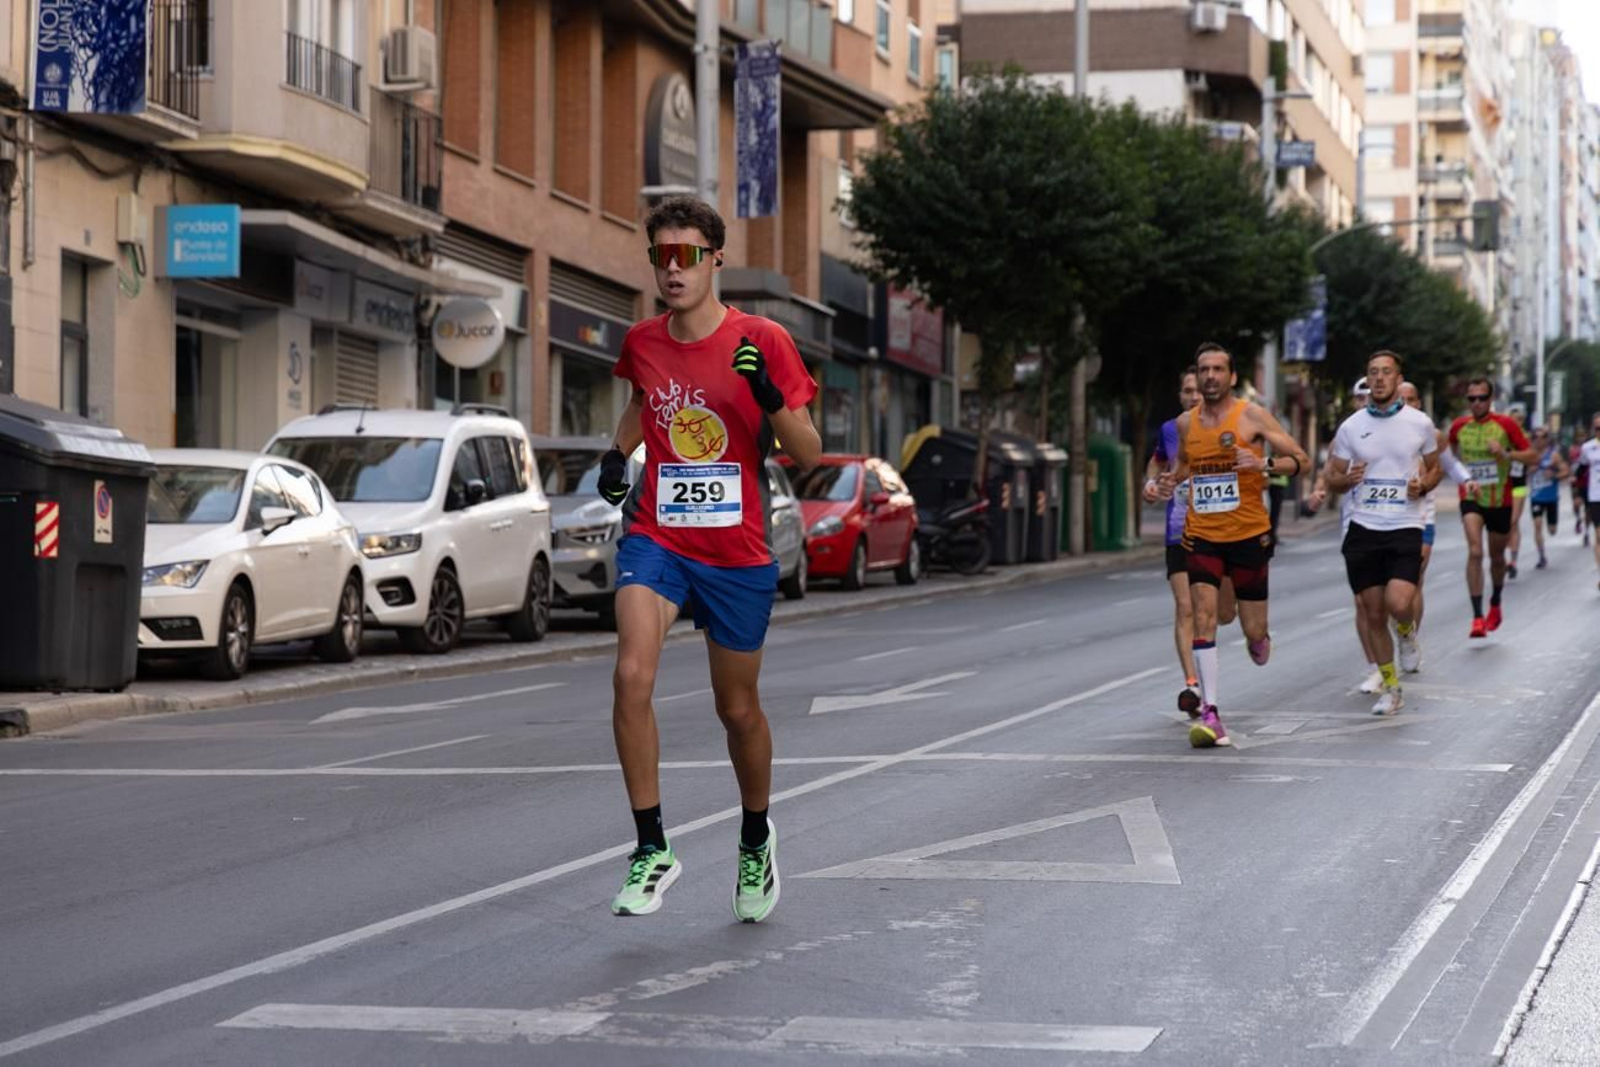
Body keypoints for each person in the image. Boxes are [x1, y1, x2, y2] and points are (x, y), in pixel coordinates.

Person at [597, 196, 821, 921]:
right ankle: (651, 846)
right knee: (631, 674)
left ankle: (755, 836)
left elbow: (808, 451)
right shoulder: (643, 340)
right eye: (661, 255)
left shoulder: (763, 340)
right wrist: (616, 454)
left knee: (737, 708)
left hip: (736, 552)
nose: (673, 269)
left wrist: (767, 395)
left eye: (687, 255)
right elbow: (644, 404)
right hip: (659, 536)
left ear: (715, 260)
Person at [1157, 342, 1310, 748]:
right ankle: (1211, 714)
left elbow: (1301, 460)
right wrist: (1167, 482)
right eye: (1204, 369)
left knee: (1248, 626)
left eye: (1218, 369)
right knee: (1206, 616)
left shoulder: (1251, 416)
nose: (1210, 376)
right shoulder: (1186, 424)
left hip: (1248, 535)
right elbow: (1183, 466)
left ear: (1232, 376)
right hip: (1202, 534)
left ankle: (1259, 638)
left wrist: (1262, 463)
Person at [1323, 353, 1443, 715]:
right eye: (1373, 373)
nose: (1378, 378)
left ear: (1398, 378)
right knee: (1373, 613)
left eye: (1386, 372)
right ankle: (1391, 689)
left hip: (1405, 524)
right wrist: (1345, 480)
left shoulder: (1420, 424)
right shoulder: (1351, 427)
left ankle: (1406, 632)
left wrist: (1423, 485)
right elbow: (1332, 477)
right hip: (1363, 527)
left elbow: (1436, 468)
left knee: (1399, 603)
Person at [1143, 368, 1240, 717]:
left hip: (1222, 531)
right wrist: (1150, 484)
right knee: (1186, 607)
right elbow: (1157, 462)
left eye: (1197, 390)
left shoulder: (1231, 425)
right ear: (1181, 395)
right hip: (1179, 530)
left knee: (1223, 613)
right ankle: (1193, 685)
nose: (1193, 396)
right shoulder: (1171, 429)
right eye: (1186, 391)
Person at [1447, 379, 1537, 638]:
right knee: (1475, 551)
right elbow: (1449, 457)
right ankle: (1477, 617)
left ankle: (1495, 602)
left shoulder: (1506, 424)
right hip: (1471, 495)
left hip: (1500, 500)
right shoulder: (1459, 426)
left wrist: (1506, 452)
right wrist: (1458, 474)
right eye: (1471, 399)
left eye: (1482, 398)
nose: (1476, 403)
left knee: (1497, 557)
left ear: (1491, 399)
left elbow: (1532, 456)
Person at [1397, 381, 1475, 639]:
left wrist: (1467, 480)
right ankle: (1401, 631)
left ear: (1418, 403)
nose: (1405, 405)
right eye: (1400, 400)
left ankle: (1410, 640)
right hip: (1388, 518)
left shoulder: (1431, 434)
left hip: (1422, 518)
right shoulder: (1381, 430)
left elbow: (1450, 464)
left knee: (1414, 579)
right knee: (1391, 589)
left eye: (1410, 399)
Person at [1527, 427, 1569, 569]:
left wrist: (1554, 475)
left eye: (1543, 437)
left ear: (1547, 439)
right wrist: (1529, 470)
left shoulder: (1553, 455)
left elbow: (1566, 471)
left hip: (1551, 498)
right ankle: (1541, 556)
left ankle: (1551, 527)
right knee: (1537, 525)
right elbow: (1519, 473)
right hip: (1536, 497)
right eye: (1536, 437)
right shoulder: (1529, 455)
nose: (1539, 440)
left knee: (1552, 530)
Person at [1505, 409, 1531, 578]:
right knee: (1503, 523)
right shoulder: (1503, 437)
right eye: (1514, 419)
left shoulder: (1525, 439)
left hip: (1519, 485)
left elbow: (1532, 457)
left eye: (1520, 420)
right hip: (1503, 484)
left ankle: (1513, 561)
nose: (1517, 423)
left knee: (1513, 521)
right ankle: (1502, 556)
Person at [1578, 413, 1600, 588]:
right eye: (1597, 428)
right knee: (1599, 536)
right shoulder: (1587, 448)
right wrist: (1578, 493)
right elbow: (1581, 470)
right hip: (1595, 496)